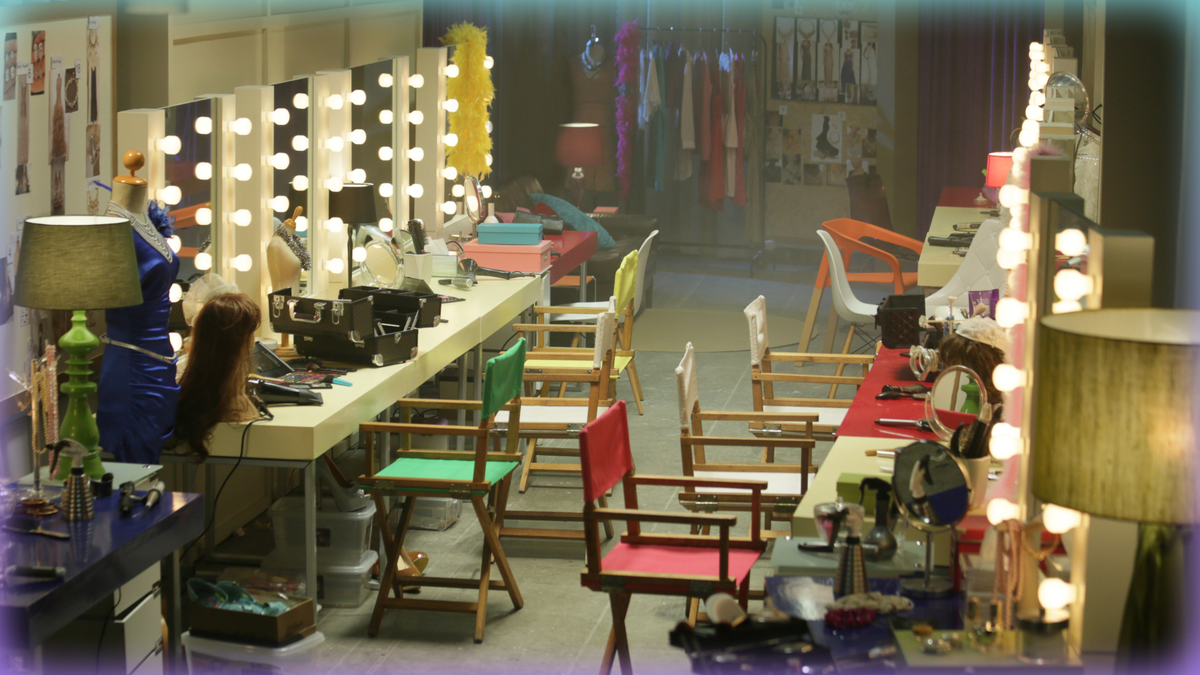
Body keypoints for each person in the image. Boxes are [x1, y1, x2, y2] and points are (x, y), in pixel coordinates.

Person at [171, 293, 261, 460]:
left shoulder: (191, 396)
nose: (253, 340)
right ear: (240, 341)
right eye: (251, 333)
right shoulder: (233, 405)